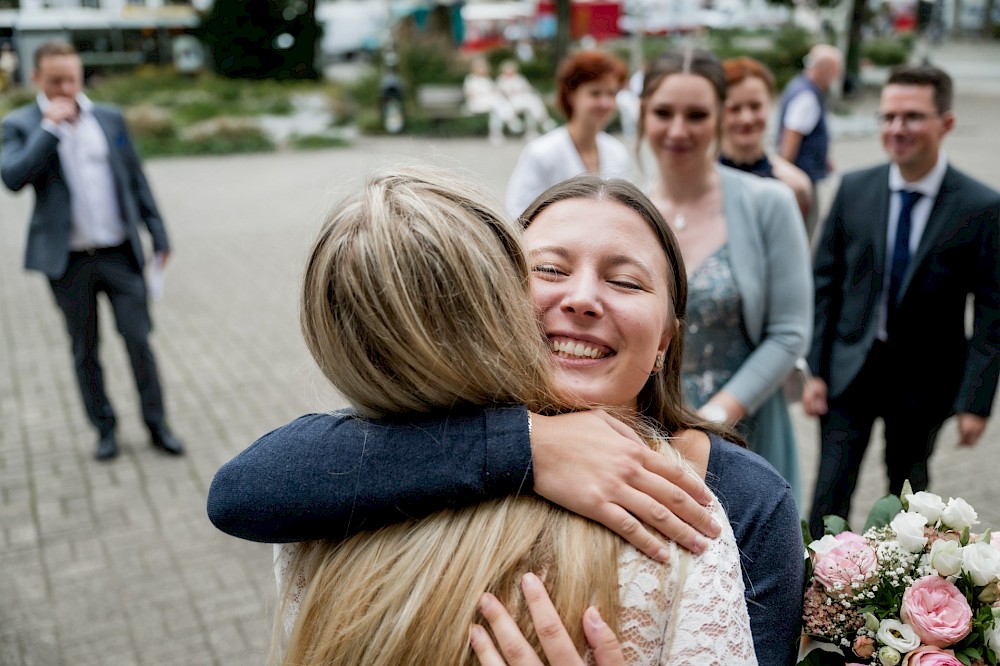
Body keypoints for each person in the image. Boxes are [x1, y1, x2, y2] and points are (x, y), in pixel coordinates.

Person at [208, 182, 805, 664]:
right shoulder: (429, 431)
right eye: (548, 270)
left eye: (625, 281)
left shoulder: (748, 499)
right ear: (497, 297)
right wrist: (527, 445)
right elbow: (241, 491)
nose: (583, 298)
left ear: (666, 340)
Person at [803, 64, 1000, 540]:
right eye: (888, 116)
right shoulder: (855, 189)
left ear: (945, 123)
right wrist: (814, 369)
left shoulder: (980, 206)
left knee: (910, 502)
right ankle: (814, 597)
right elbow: (824, 282)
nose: (896, 129)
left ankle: (898, 600)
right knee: (828, 496)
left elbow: (993, 312)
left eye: (912, 117)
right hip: (848, 371)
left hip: (926, 382)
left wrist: (976, 402)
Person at [637, 47, 812, 510]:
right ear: (642, 115)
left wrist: (711, 421)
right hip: (642, 432)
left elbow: (789, 331)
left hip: (744, 428)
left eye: (696, 114)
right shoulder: (623, 209)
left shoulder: (768, 203)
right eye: (663, 112)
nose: (678, 130)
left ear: (720, 118)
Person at [0, 41, 183, 460]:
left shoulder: (109, 118)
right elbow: (12, 177)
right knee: (85, 349)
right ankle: (104, 429)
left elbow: (135, 179)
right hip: (67, 263)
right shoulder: (21, 124)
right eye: (55, 81)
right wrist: (49, 129)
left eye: (72, 79)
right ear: (36, 79)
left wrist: (159, 234)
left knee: (139, 340)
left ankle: (157, 425)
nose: (66, 88)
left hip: (120, 254)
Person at [504, 50, 632, 216]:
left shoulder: (617, 151)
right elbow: (517, 214)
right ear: (572, 95)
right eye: (595, 93)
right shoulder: (542, 153)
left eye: (611, 93)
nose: (605, 103)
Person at [720, 56, 812, 220]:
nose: (746, 118)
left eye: (755, 106)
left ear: (769, 104)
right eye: (734, 109)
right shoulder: (698, 182)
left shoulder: (795, 186)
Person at [776, 44, 843, 237]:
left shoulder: (801, 86)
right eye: (835, 70)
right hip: (801, 179)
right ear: (823, 69)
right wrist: (786, 176)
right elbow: (791, 137)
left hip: (804, 172)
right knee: (802, 230)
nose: (836, 77)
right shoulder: (807, 96)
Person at [464, 55, 522, 145]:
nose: (482, 69)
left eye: (483, 66)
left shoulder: (487, 79)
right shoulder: (470, 79)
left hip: (490, 103)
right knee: (496, 102)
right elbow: (469, 93)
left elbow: (494, 90)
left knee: (496, 108)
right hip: (476, 104)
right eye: (480, 66)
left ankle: (496, 134)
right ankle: (511, 120)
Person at [496, 59, 555, 138]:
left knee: (534, 102)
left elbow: (528, 88)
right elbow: (501, 93)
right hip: (511, 102)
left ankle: (543, 121)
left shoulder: (520, 78)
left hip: (524, 99)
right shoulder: (501, 79)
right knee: (525, 104)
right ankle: (513, 122)